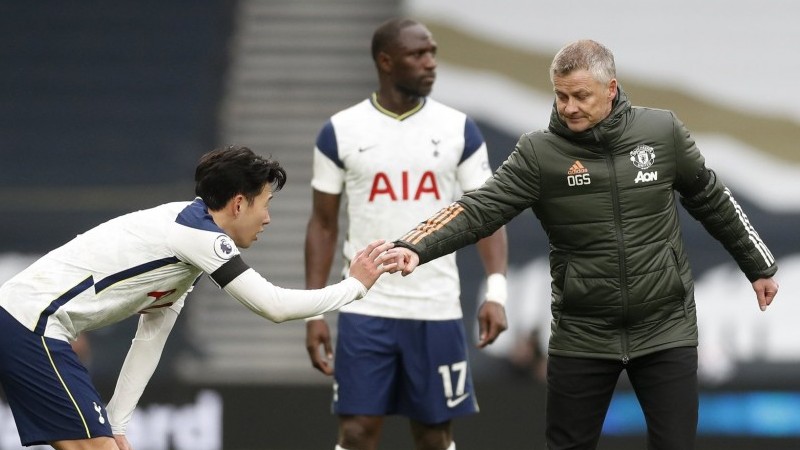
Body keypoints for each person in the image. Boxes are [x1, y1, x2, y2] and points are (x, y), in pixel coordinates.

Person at [387, 40, 780, 450]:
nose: (569, 107)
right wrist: (415, 245)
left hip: (665, 326)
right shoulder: (538, 153)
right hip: (583, 332)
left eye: (580, 96)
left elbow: (712, 198)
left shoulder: (661, 132)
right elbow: (480, 208)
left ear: (611, 89)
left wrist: (758, 265)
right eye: (561, 96)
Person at [0, 145, 396, 450]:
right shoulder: (199, 237)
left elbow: (150, 338)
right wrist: (355, 286)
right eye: (265, 204)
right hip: (32, 323)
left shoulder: (184, 245)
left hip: (21, 321)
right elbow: (273, 306)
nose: (268, 218)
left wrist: (117, 423)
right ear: (238, 203)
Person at [304, 18, 509, 450]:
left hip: (435, 308)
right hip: (364, 308)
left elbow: (488, 213)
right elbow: (323, 224)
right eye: (418, 54)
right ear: (385, 61)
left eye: (432, 52)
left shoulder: (459, 129)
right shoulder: (340, 131)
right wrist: (315, 312)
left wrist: (496, 291)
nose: (430, 63)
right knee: (357, 432)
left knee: (433, 436)